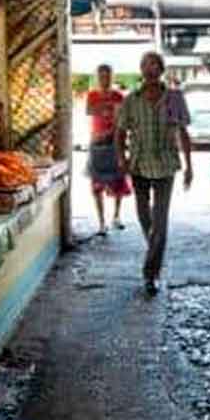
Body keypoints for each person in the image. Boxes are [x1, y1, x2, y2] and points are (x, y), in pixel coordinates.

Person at [115, 51, 193, 296]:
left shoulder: (175, 98)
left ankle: (151, 274)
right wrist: (121, 158)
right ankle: (156, 250)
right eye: (146, 65)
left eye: (154, 65)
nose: (150, 69)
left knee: (160, 221)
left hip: (166, 165)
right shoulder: (131, 100)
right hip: (138, 165)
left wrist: (190, 166)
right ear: (141, 70)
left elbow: (183, 133)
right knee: (143, 216)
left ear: (161, 70)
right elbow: (119, 133)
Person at [85, 64, 130, 236]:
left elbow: (121, 118)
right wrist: (108, 109)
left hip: (114, 141)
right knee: (97, 184)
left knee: (118, 180)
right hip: (97, 142)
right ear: (97, 77)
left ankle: (116, 216)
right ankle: (101, 222)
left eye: (107, 76)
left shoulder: (118, 95)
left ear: (112, 77)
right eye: (101, 76)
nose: (104, 79)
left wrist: (112, 130)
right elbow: (89, 110)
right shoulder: (92, 95)